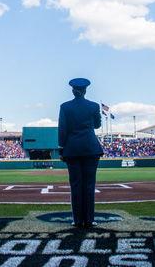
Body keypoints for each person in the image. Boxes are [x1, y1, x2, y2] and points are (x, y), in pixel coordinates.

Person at [58, 78, 103, 229]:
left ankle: (77, 220)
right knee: (89, 185)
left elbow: (62, 129)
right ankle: (89, 220)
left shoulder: (65, 107)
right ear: (85, 91)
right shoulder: (93, 106)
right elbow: (97, 125)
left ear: (73, 90)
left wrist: (62, 148)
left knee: (76, 185)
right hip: (91, 148)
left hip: (72, 149)